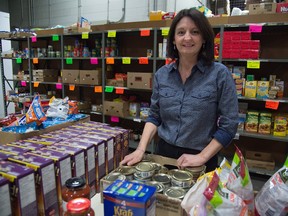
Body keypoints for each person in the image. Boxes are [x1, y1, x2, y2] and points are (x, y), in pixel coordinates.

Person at [120, 8, 238, 172]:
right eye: (181, 32)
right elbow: (155, 116)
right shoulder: (162, 75)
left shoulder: (219, 74)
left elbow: (229, 126)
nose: (187, 37)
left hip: (200, 160)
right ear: (173, 40)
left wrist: (202, 157)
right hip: (164, 156)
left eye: (195, 32)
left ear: (204, 38)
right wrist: (140, 149)